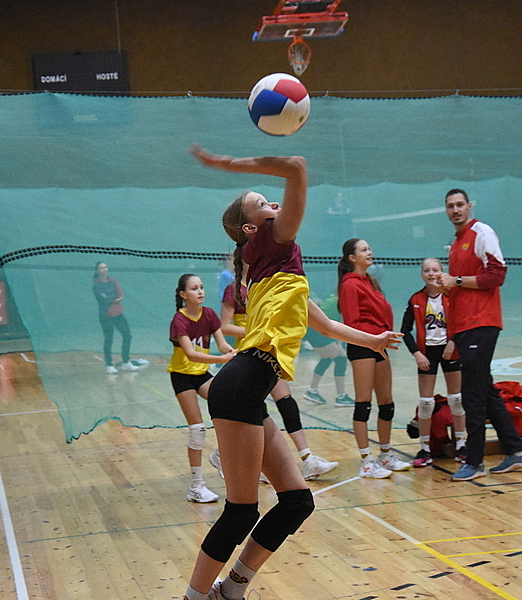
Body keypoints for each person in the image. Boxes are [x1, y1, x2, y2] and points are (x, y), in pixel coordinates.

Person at [183, 145, 400, 600]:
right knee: (241, 511)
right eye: (262, 203)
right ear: (252, 227)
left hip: (250, 386)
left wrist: (373, 340)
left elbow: (326, 325)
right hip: (242, 383)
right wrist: (226, 164)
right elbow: (297, 167)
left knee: (297, 501)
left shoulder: (279, 269)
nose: (274, 204)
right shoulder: (269, 242)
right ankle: (194, 598)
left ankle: (231, 590)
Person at [438, 189, 522, 482]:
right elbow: (459, 290)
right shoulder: (455, 243)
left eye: (460, 205)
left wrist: (455, 280)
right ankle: (517, 452)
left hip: (482, 323)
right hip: (465, 327)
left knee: (473, 395)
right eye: (450, 206)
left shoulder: (482, 233)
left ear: (469, 206)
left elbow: (497, 275)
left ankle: (475, 462)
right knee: (486, 391)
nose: (455, 210)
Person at [213, 277, 339, 482]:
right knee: (251, 412)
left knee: (286, 402)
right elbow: (225, 326)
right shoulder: (234, 289)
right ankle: (224, 455)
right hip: (248, 355)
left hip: (271, 354)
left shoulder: (270, 283)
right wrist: (258, 332)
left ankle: (308, 459)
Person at [338, 238, 412, 479]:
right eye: (364, 250)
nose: (369, 252)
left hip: (379, 344)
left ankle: (385, 454)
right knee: (363, 403)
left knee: (386, 403)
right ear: (352, 258)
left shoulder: (370, 282)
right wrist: (373, 338)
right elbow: (351, 323)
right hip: (362, 346)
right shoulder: (350, 284)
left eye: (369, 248)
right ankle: (366, 461)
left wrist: (383, 337)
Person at [168, 273, 237, 503]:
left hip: (202, 375)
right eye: (194, 288)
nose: (200, 292)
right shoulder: (179, 320)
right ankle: (196, 486)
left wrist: (233, 352)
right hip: (182, 377)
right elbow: (190, 354)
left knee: (231, 407)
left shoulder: (208, 314)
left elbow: (222, 344)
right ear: (183, 294)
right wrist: (221, 360)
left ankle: (220, 456)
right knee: (197, 429)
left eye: (202, 287)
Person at [400, 258, 466, 468]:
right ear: (422, 274)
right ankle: (425, 449)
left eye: (435, 270)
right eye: (427, 270)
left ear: (442, 272)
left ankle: (462, 445)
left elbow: (463, 322)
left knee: (456, 399)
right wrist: (417, 354)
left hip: (450, 350)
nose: (431, 273)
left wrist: (453, 342)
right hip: (427, 353)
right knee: (426, 403)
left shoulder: (452, 295)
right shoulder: (416, 299)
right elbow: (405, 330)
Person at [92, 262, 148, 374]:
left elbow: (120, 294)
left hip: (118, 314)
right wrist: (113, 297)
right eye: (101, 268)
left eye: (105, 267)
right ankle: (109, 365)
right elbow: (104, 300)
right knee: (109, 339)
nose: (104, 269)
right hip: (105, 315)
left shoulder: (112, 281)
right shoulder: (96, 285)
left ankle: (126, 361)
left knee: (127, 335)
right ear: (97, 271)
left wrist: (111, 297)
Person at [302, 293, 353, 406]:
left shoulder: (334, 297)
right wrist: (339, 344)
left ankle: (312, 391)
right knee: (340, 359)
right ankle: (341, 397)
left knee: (327, 358)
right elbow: (341, 323)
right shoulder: (344, 301)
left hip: (312, 328)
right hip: (317, 330)